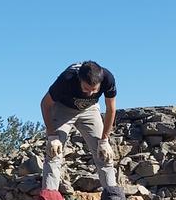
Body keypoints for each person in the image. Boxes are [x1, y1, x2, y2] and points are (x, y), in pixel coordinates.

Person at [41, 61, 119, 191]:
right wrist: (51, 135)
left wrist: (104, 139)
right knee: (54, 152)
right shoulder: (66, 79)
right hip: (63, 109)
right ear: (79, 80)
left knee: (104, 155)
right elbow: (45, 104)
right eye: (86, 89)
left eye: (94, 90)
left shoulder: (108, 78)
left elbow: (111, 109)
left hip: (90, 110)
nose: (89, 94)